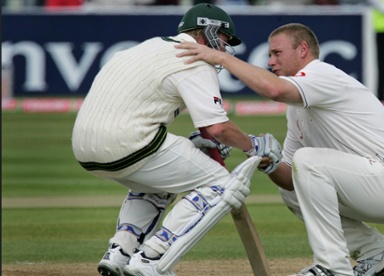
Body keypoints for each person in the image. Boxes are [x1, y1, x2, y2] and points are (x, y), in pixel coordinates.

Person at [176, 23, 384, 276]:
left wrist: (219, 56)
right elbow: (290, 179)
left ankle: (332, 267)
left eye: (276, 53)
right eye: (269, 54)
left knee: (307, 160)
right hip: (372, 186)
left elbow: (274, 89)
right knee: (294, 187)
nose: (270, 61)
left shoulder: (323, 74)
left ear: (303, 49)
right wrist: (264, 158)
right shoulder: (296, 109)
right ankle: (375, 252)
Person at [71, 3, 282, 276]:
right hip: (130, 143)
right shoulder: (195, 59)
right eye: (224, 40)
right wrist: (254, 146)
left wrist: (196, 143)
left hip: (84, 147)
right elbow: (218, 128)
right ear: (210, 32)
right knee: (223, 184)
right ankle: (152, 257)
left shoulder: (144, 47)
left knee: (159, 181)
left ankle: (120, 252)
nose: (224, 50)